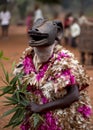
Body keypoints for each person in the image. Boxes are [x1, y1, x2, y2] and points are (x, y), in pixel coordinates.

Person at [13, 19, 93, 130]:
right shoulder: (27, 60)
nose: (40, 49)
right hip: (36, 119)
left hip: (60, 119)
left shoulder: (65, 62)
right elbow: (22, 86)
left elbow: (74, 95)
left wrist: (41, 108)